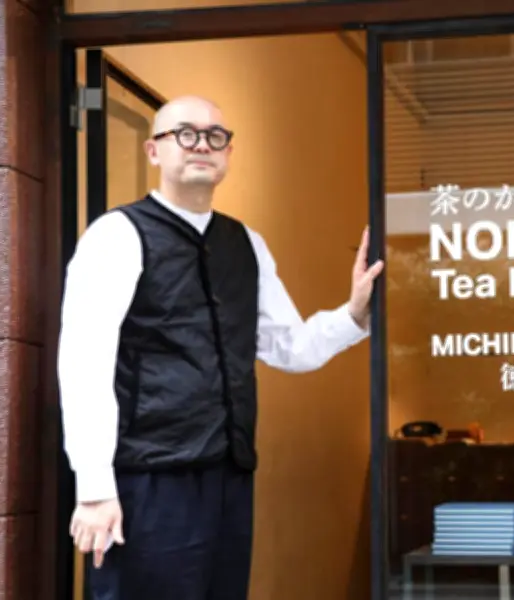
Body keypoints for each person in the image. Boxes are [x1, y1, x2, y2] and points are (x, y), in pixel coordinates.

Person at [57, 95, 384, 600]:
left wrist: (354, 314)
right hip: (148, 477)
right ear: (153, 150)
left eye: (215, 136)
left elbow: (288, 346)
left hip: (229, 473)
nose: (201, 145)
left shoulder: (246, 243)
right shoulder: (117, 235)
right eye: (185, 134)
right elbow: (84, 363)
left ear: (229, 153)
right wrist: (95, 488)